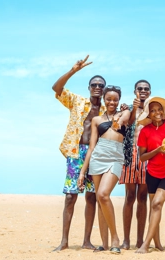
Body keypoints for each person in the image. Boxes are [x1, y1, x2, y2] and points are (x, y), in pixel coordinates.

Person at [52, 55, 106, 251]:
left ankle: (86, 241)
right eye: (94, 84)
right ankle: (64, 241)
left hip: (96, 155)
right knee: (70, 196)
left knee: (91, 196)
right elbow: (56, 89)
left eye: (101, 85)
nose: (97, 87)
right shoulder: (77, 101)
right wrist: (73, 71)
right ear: (89, 87)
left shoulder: (108, 109)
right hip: (76, 153)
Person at [78, 85, 130, 255]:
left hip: (115, 157)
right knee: (100, 201)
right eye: (109, 99)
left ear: (119, 100)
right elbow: (92, 147)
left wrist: (122, 113)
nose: (112, 102)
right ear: (104, 99)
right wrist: (82, 172)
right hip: (97, 158)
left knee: (103, 194)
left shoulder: (124, 113)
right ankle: (105, 243)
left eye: (115, 99)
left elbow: (122, 121)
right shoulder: (96, 120)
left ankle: (115, 238)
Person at [135, 97, 165, 254]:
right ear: (149, 114)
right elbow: (142, 157)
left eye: (159, 109)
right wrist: (157, 150)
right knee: (153, 208)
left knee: (156, 204)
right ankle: (157, 243)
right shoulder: (145, 131)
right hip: (152, 173)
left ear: (164, 111)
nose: (157, 112)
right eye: (153, 110)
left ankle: (146, 244)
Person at [118, 80, 152, 250]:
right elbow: (127, 125)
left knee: (143, 198)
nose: (143, 91)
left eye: (146, 89)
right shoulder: (128, 110)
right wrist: (132, 108)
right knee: (130, 196)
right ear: (134, 91)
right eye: (140, 88)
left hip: (146, 156)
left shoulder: (153, 111)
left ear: (150, 92)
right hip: (130, 154)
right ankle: (126, 240)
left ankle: (139, 240)